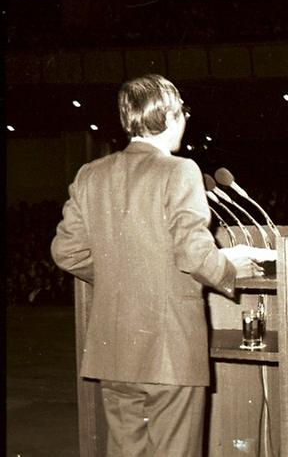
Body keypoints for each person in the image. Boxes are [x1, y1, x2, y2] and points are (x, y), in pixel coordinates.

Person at [50, 75, 263, 456]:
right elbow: (196, 255)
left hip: (114, 352)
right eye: (183, 112)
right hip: (170, 352)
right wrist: (232, 268)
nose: (185, 120)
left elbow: (66, 251)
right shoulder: (180, 170)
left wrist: (126, 275)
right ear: (170, 115)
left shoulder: (90, 174)